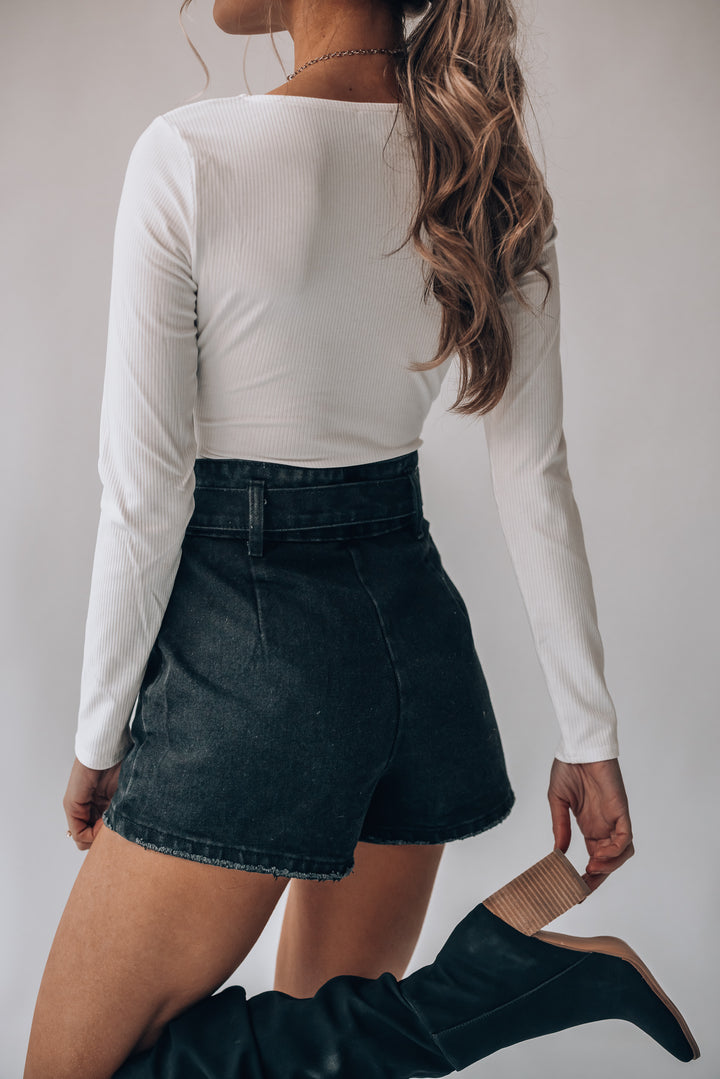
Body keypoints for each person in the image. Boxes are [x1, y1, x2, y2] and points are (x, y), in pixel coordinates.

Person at [23, 1, 698, 1077]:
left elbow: (144, 493)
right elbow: (534, 470)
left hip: (254, 665)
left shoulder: (191, 155)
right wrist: (588, 732)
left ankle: (489, 985)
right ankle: (496, 977)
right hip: (416, 659)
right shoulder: (483, 163)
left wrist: (100, 736)